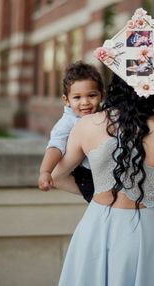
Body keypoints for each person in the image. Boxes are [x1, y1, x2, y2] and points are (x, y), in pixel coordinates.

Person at [51, 73, 154, 285]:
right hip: (139, 234)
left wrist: (99, 193)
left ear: (118, 85)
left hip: (94, 228)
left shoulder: (87, 124)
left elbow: (56, 177)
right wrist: (141, 189)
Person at [38, 61, 104, 202]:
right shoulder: (67, 122)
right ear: (66, 100)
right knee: (104, 206)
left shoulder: (105, 114)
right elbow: (56, 146)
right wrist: (46, 171)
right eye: (77, 97)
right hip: (88, 175)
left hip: (107, 169)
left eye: (92, 95)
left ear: (102, 96)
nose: (85, 102)